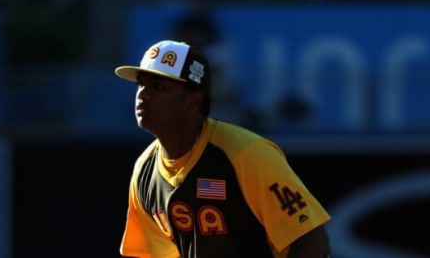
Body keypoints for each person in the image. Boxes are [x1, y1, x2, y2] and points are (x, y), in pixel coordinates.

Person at [115, 40, 331, 258]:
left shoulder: (246, 153)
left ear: (194, 102)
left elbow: (311, 241)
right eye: (141, 84)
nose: (143, 95)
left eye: (159, 87)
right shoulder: (144, 169)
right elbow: (148, 255)